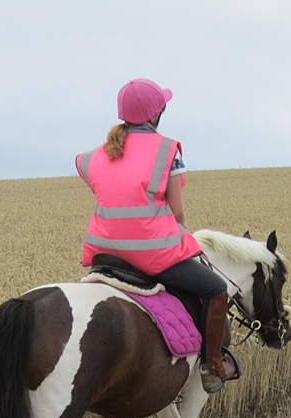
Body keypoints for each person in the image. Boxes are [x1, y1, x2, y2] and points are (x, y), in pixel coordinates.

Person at [75, 78, 237, 393]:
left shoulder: (93, 156)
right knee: (216, 290)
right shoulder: (166, 149)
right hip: (152, 254)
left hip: (104, 253)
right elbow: (177, 213)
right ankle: (212, 364)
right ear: (154, 114)